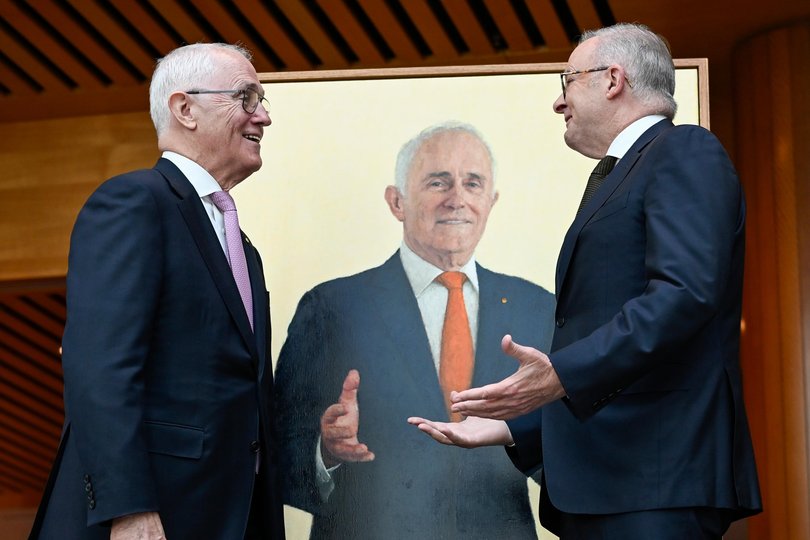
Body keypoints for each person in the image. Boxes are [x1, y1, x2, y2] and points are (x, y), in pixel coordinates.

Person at [409, 23, 762, 539]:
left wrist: (559, 373)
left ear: (613, 79)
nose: (559, 101)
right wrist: (512, 426)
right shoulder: (624, 172)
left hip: (654, 482)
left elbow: (683, 295)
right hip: (611, 485)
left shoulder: (683, 149)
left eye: (567, 80)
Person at [29, 43, 284, 540]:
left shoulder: (242, 247)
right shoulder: (133, 202)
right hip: (148, 517)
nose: (263, 116)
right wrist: (128, 509)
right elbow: (100, 365)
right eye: (246, 98)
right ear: (185, 109)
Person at [274, 122, 555, 539]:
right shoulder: (331, 307)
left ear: (491, 201)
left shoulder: (538, 309)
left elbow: (566, 449)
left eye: (473, 183)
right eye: (438, 182)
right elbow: (278, 446)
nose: (457, 199)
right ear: (397, 201)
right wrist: (326, 451)